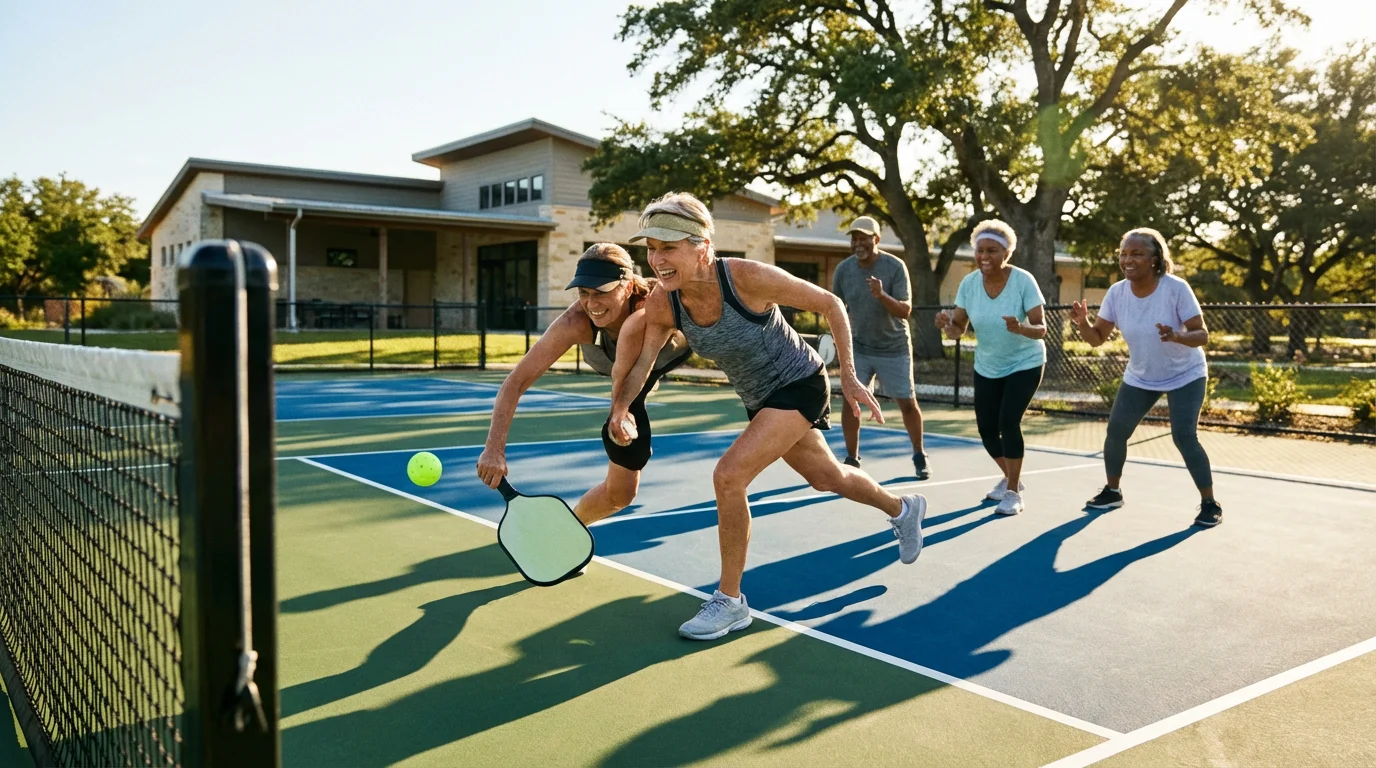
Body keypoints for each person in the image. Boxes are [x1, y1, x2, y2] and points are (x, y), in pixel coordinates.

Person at [609, 192, 927, 642]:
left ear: (701, 246)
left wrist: (850, 377)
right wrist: (620, 409)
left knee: (728, 476)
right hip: (760, 397)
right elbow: (642, 363)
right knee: (828, 477)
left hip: (799, 382)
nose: (657, 259)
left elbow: (831, 304)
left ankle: (731, 601)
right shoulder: (665, 302)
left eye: (668, 247)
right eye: (651, 248)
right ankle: (903, 508)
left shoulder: (747, 278)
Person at [476, 243, 691, 525]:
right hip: (619, 373)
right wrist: (493, 448)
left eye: (602, 292)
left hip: (666, 355)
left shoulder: (659, 302)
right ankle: (570, 527)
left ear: (627, 286)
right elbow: (516, 382)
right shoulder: (575, 322)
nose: (592, 304)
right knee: (621, 494)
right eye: (584, 293)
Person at [1070, 228, 1222, 528]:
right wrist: (1083, 323)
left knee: (1184, 436)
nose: (1128, 259)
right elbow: (1097, 338)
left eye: (1137, 253)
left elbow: (1202, 334)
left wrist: (1178, 335)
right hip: (1141, 375)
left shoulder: (1176, 288)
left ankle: (1209, 503)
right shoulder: (1116, 292)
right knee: (1116, 431)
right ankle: (1112, 491)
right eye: (1124, 253)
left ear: (1155, 259)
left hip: (1185, 374)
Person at [934, 220, 1047, 516]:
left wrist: (1020, 327)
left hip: (1025, 362)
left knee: (1008, 421)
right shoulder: (969, 284)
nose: (984, 256)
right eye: (980, 250)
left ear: (1006, 252)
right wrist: (947, 325)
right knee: (986, 429)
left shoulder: (1023, 280)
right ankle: (1014, 478)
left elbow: (1041, 328)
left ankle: (1012, 494)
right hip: (987, 364)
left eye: (992, 250)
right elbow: (958, 330)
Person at [830, 216, 930, 479]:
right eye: (854, 238)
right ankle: (852, 459)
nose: (858, 243)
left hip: (893, 347)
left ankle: (919, 454)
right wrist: (836, 340)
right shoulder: (843, 270)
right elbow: (836, 309)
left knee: (907, 403)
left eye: (863, 238)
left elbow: (905, 311)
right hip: (859, 347)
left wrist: (881, 294)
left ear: (876, 239)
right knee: (851, 402)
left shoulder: (895, 267)